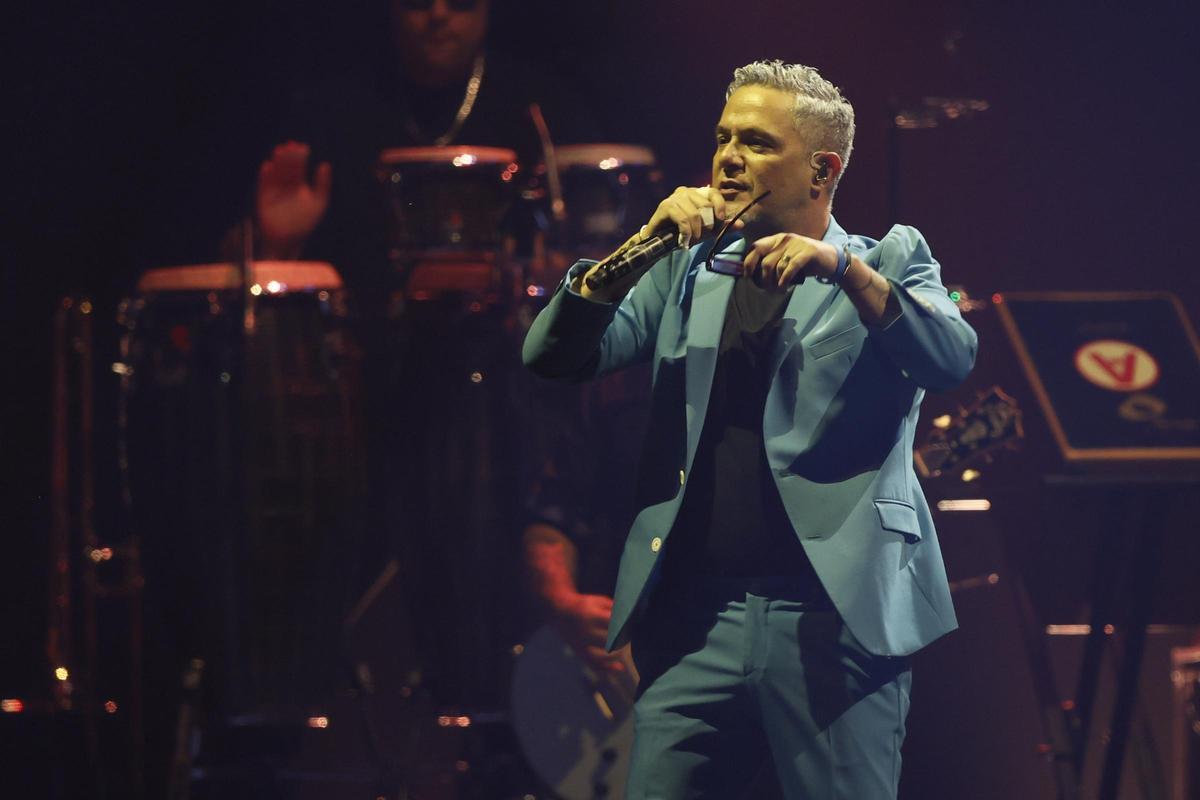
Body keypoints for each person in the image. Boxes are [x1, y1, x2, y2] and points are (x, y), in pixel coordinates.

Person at [522, 60, 977, 798]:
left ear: (822, 170)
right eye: (724, 137)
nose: (729, 156)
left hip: (832, 621)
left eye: (759, 142)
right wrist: (641, 246)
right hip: (696, 621)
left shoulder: (885, 261)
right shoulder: (686, 271)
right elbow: (552, 355)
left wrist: (839, 269)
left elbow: (951, 355)